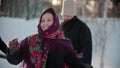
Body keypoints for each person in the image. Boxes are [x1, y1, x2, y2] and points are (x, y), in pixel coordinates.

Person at [6, 8, 85, 68]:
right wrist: (13, 51)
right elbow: (14, 61)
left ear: (55, 23)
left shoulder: (63, 44)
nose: (45, 23)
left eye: (49, 20)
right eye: (42, 20)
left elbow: (76, 65)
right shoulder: (30, 41)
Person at [60, 0, 92, 68]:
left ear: (74, 13)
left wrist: (84, 65)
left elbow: (87, 51)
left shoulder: (82, 27)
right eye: (65, 14)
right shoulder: (60, 27)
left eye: (69, 14)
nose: (67, 16)